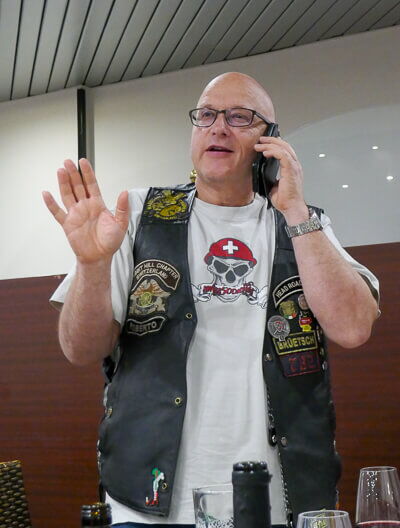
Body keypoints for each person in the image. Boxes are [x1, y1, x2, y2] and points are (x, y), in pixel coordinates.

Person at [44, 72, 379, 528]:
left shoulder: (304, 224)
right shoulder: (137, 214)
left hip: (278, 504)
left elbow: (354, 327)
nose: (218, 127)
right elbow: (80, 349)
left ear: (270, 142)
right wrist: (91, 264)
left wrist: (296, 211)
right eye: (206, 115)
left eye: (240, 117)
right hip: (146, 506)